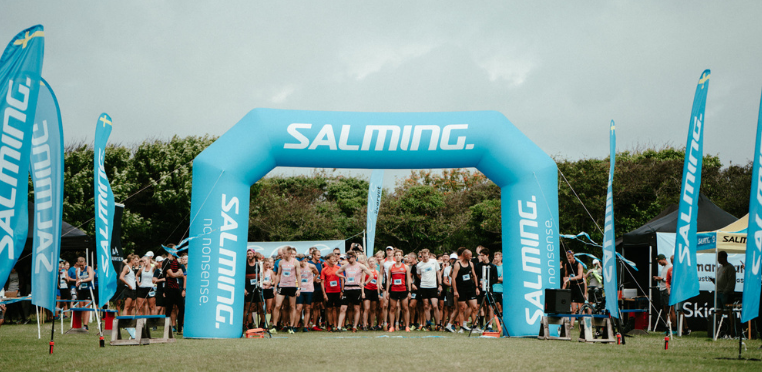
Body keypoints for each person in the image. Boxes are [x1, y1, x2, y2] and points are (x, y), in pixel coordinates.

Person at [335, 251, 373, 332]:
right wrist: (343, 277)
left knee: (356, 308)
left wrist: (364, 283)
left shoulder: (360, 266)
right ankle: (338, 327)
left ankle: (355, 326)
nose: (348, 259)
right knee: (343, 308)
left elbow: (371, 275)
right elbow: (337, 272)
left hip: (356, 289)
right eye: (347, 258)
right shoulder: (346, 266)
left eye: (349, 258)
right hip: (347, 289)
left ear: (354, 257)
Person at [448, 248, 479, 333]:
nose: (471, 257)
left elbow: (474, 275)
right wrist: (455, 290)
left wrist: (476, 287)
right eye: (470, 256)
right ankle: (461, 327)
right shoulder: (458, 264)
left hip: (470, 288)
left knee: (475, 307)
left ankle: (475, 326)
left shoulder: (471, 264)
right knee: (461, 308)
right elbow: (453, 278)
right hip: (461, 289)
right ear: (465, 255)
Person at [271, 246, 302, 334]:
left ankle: (291, 327)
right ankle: (274, 326)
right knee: (277, 305)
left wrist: (299, 288)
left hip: (292, 286)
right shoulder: (280, 262)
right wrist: (275, 287)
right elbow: (279, 274)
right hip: (282, 286)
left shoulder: (295, 262)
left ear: (289, 253)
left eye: (284, 253)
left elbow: (299, 275)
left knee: (292, 306)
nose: (282, 255)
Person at [385, 249, 412, 332]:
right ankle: (392, 326)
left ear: (401, 256)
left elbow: (408, 279)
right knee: (392, 308)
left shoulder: (405, 267)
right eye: (396, 255)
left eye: (399, 255)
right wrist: (387, 291)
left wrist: (410, 291)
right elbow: (388, 280)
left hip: (403, 289)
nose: (398, 256)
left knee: (405, 308)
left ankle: (407, 326)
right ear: (394, 256)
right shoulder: (391, 267)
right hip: (393, 290)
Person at [416, 249, 441, 331]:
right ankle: (428, 324)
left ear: (429, 255)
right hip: (423, 286)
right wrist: (424, 279)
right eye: (423, 256)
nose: (425, 257)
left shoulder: (434, 262)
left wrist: (440, 284)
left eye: (426, 255)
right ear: (421, 256)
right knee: (426, 306)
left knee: (435, 305)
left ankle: (438, 324)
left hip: (433, 286)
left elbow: (438, 273)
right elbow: (418, 274)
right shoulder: (419, 265)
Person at [474, 248, 498, 332]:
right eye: (480, 255)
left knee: (490, 306)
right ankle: (476, 324)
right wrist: (477, 286)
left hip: (489, 288)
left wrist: (488, 283)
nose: (481, 257)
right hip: (480, 289)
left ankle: (490, 325)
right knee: (478, 306)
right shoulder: (478, 265)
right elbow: (475, 276)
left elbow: (496, 279)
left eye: (483, 255)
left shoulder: (493, 266)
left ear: (487, 255)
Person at [163, 247, 186, 334]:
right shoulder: (166, 262)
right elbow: (172, 275)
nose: (176, 251)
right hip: (169, 288)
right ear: (169, 250)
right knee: (169, 309)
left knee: (181, 307)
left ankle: (179, 329)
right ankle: (167, 329)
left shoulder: (176, 262)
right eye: (174, 249)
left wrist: (173, 274)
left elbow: (181, 274)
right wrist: (174, 274)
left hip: (176, 288)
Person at [714, 250, 737, 335]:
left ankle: (730, 331)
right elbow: (719, 280)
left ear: (724, 257)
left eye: (719, 257)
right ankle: (720, 330)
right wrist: (715, 281)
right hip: (718, 293)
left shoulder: (730, 268)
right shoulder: (719, 268)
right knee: (718, 312)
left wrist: (725, 292)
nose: (718, 259)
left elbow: (731, 282)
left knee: (727, 312)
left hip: (726, 294)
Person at [563, 250, 586, 327]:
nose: (569, 260)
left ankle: (583, 324)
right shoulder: (566, 265)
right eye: (567, 258)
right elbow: (565, 276)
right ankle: (571, 325)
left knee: (580, 308)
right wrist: (565, 283)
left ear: (573, 257)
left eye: (570, 258)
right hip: (572, 287)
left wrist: (569, 279)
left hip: (579, 286)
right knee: (573, 308)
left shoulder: (579, 264)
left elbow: (580, 276)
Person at [296, 257, 319, 332]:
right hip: (300, 289)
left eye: (301, 262)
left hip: (309, 289)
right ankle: (295, 326)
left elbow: (317, 273)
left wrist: (312, 280)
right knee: (299, 308)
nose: (300, 264)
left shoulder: (311, 266)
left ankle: (305, 326)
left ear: (304, 260)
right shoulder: (296, 266)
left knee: (307, 308)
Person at [243, 249, 263, 329]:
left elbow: (263, 274)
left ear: (254, 254)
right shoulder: (245, 263)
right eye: (248, 254)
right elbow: (242, 277)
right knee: (249, 307)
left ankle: (263, 324)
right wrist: (244, 289)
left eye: (251, 253)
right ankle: (249, 325)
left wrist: (260, 281)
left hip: (257, 287)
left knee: (260, 306)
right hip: (248, 287)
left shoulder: (258, 263)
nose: (249, 255)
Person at [652, 253, 672, 328]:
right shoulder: (664, 268)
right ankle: (668, 327)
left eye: (660, 262)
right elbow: (664, 278)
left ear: (664, 259)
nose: (659, 264)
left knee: (670, 310)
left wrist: (661, 279)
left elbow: (670, 279)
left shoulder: (670, 267)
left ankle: (673, 327)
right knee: (665, 310)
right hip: (662, 289)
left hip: (667, 289)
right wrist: (659, 278)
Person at [75, 257, 95, 328]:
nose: (81, 267)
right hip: (81, 290)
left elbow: (90, 278)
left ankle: (85, 325)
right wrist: (77, 283)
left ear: (85, 263)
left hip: (88, 289)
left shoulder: (88, 268)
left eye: (82, 265)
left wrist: (82, 281)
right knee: (82, 307)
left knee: (87, 307)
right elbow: (77, 280)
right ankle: (83, 323)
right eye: (79, 265)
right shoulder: (77, 270)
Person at [362, 256, 382, 330]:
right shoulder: (365, 271)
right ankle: (364, 325)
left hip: (374, 291)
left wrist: (379, 294)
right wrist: (363, 292)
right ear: (368, 263)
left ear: (375, 262)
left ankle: (372, 325)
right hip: (367, 290)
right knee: (366, 308)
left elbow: (377, 284)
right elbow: (363, 282)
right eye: (370, 261)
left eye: (373, 261)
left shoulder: (377, 272)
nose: (371, 263)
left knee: (373, 309)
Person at [492, 252, 503, 316]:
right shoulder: (493, 267)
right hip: (494, 289)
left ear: (501, 258)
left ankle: (501, 321)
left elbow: (503, 279)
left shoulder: (503, 267)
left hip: (501, 289)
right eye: (494, 257)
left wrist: (495, 279)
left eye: (497, 257)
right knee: (495, 306)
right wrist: (497, 279)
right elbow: (491, 279)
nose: (495, 258)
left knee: (501, 307)